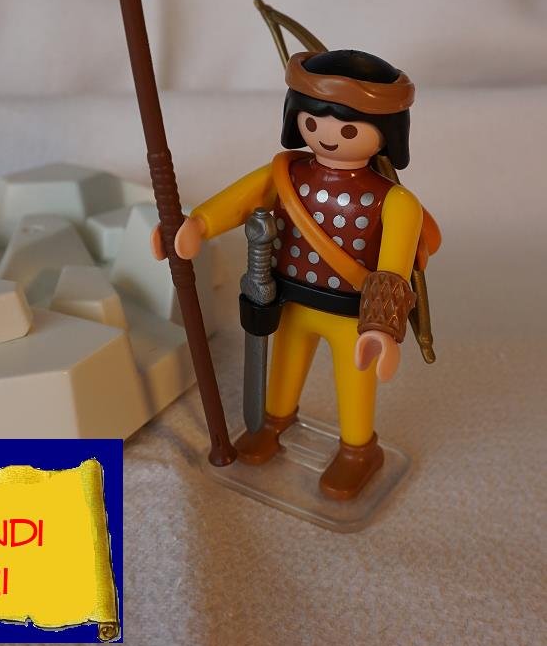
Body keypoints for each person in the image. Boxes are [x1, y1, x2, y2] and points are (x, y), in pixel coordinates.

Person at [151, 48, 440, 499]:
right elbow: (238, 201)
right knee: (284, 366)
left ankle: (358, 450)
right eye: (313, 122)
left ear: (387, 133)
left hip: (351, 314)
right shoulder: (286, 174)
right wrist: (197, 225)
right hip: (290, 297)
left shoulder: (396, 202)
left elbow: (392, 270)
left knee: (355, 381)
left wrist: (382, 328)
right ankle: (275, 423)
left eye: (348, 129)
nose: (327, 137)